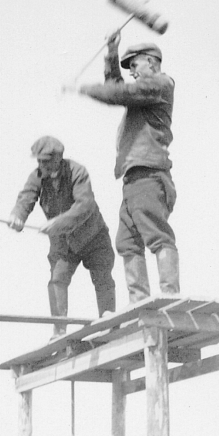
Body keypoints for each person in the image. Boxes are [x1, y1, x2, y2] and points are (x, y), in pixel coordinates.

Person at [69, 37, 179, 303]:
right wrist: (111, 53)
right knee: (127, 242)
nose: (131, 71)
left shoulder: (161, 84)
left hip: (149, 175)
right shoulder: (146, 90)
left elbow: (119, 93)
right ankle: (139, 302)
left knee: (156, 234)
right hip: (135, 178)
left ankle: (170, 296)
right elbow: (116, 88)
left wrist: (85, 89)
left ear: (152, 62)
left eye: (134, 64)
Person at [8, 136, 116, 338]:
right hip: (63, 244)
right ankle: (59, 331)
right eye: (39, 161)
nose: (42, 165)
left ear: (59, 158)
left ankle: (109, 323)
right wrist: (17, 216)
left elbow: (85, 206)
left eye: (46, 161)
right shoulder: (37, 176)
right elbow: (26, 198)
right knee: (57, 280)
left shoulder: (77, 172)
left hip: (93, 236)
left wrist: (57, 223)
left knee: (102, 277)